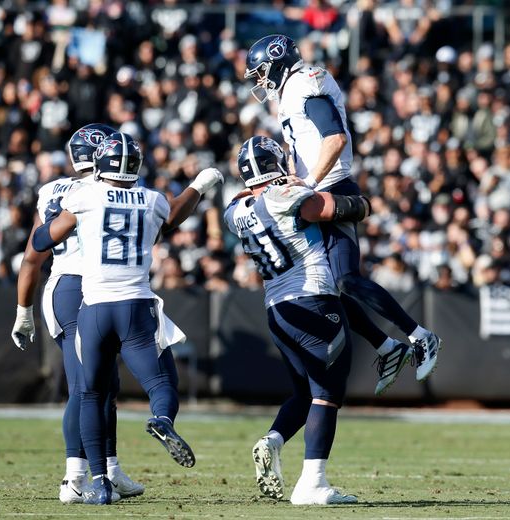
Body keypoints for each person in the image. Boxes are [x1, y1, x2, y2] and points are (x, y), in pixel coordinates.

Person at [31, 132, 223, 505]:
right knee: (161, 382)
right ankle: (162, 421)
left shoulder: (83, 195)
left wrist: (49, 224)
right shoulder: (151, 200)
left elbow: (43, 241)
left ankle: (100, 481)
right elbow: (175, 213)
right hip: (136, 306)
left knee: (89, 394)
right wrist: (199, 186)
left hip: (94, 309)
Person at [244, 34, 441, 395]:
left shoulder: (306, 82)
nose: (260, 81)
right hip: (317, 191)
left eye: (261, 72)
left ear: (278, 61)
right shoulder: (289, 92)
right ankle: (386, 347)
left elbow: (334, 138)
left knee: (346, 280)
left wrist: (309, 182)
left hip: (332, 189)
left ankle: (420, 336)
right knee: (329, 284)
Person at [225, 136, 372, 505]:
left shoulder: (235, 210)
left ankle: (272, 440)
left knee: (305, 393)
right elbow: (346, 209)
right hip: (314, 300)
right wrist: (357, 199)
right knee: (327, 394)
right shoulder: (287, 196)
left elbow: (244, 200)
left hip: (277, 309)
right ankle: (313, 483)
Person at [11, 123, 144, 504]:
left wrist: (24, 309)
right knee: (86, 387)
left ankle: (111, 469)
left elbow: (31, 257)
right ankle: (73, 478)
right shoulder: (106, 190)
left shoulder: (54, 189)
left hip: (72, 287)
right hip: (81, 285)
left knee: (105, 386)